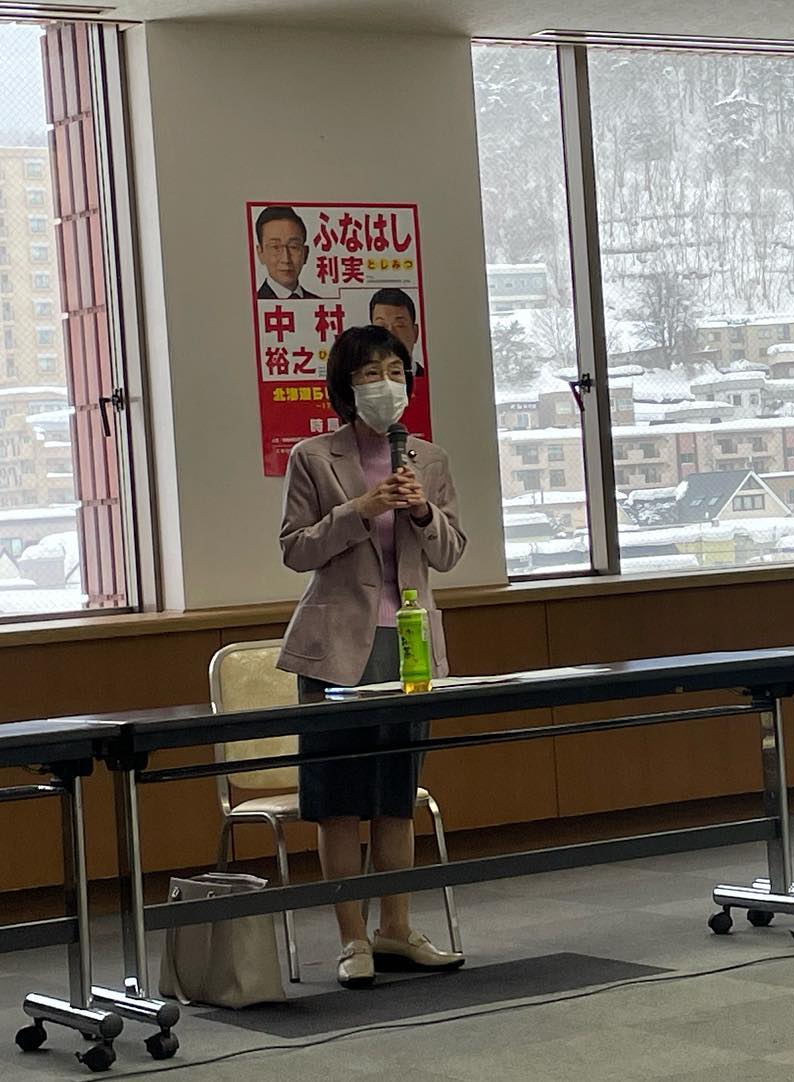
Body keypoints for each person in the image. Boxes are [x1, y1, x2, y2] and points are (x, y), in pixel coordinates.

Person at [277, 324, 467, 986]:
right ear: (345, 387)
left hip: (409, 644)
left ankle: (396, 929)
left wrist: (422, 513)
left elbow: (450, 552)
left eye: (393, 371)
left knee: (394, 798)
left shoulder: (429, 459)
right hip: (335, 649)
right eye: (367, 374)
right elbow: (295, 549)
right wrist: (358, 509)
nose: (384, 384)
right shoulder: (313, 457)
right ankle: (351, 939)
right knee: (338, 803)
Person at [255, 205, 321, 299]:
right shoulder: (251, 303)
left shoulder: (320, 303)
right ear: (260, 253)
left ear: (306, 253)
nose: (286, 259)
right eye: (275, 247)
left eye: (293, 247)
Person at [369, 288, 423, 375]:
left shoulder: (435, 379)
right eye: (381, 326)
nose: (391, 333)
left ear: (415, 333)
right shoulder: (360, 381)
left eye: (399, 325)